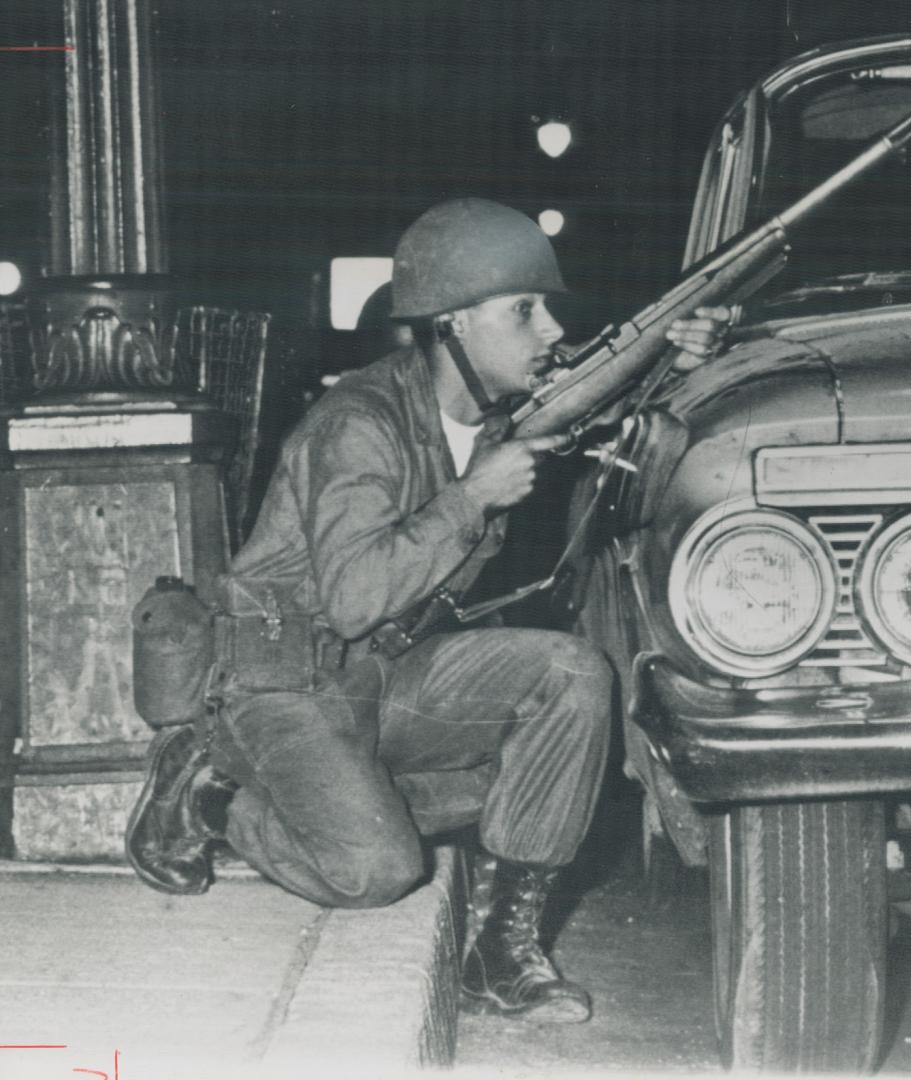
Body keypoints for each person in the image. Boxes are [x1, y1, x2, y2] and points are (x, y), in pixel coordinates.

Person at [123, 197, 730, 1024]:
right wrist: (473, 498)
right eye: (524, 311)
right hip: (280, 685)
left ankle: (501, 952)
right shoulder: (359, 425)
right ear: (453, 326)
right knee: (376, 871)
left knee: (571, 675)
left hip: (385, 673)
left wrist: (676, 357)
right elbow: (353, 596)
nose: (549, 328)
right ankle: (208, 794)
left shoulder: (491, 417)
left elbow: (602, 403)